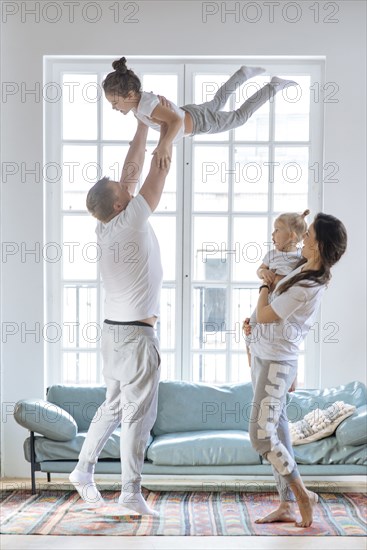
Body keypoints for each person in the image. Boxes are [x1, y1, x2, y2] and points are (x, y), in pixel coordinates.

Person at [69, 120, 172, 517]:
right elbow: (155, 173)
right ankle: (130, 492)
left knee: (112, 407)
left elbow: (128, 175)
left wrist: (143, 126)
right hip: (134, 337)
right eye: (123, 192)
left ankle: (82, 469)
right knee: (137, 416)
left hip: (114, 334)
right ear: (118, 205)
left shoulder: (106, 225)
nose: (129, 189)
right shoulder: (130, 220)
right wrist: (168, 133)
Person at [247, 213, 347, 527]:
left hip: (276, 362)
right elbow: (276, 306)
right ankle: (286, 503)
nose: (303, 238)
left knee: (261, 438)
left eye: (309, 235)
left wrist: (264, 284)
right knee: (277, 431)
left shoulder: (308, 286)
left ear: (317, 246)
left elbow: (267, 314)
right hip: (266, 354)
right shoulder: (304, 269)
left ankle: (302, 493)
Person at [102, 57, 298, 168]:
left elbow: (176, 122)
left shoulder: (144, 105)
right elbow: (151, 120)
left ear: (128, 95)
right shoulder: (139, 104)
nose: (114, 107)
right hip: (192, 113)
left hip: (198, 122)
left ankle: (273, 86)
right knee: (218, 101)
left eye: (114, 102)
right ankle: (243, 74)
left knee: (239, 117)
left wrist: (164, 145)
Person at [243, 209, 310, 373]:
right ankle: (251, 358)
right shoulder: (272, 255)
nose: (273, 234)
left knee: (285, 337)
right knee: (250, 326)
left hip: (282, 304)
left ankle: (287, 369)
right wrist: (263, 273)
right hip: (267, 299)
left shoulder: (300, 258)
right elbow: (259, 270)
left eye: (277, 230)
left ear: (292, 236)